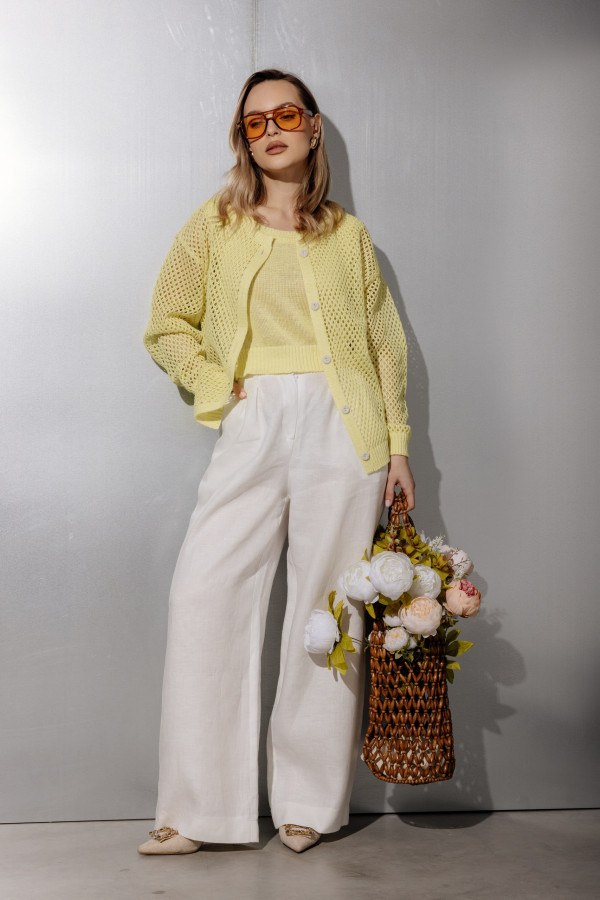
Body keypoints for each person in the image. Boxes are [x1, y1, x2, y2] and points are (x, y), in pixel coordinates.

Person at [137, 69, 415, 856]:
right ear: (243, 138)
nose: (271, 130)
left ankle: (308, 804)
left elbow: (385, 346)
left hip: (344, 426)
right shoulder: (215, 222)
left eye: (285, 114)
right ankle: (197, 811)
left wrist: (397, 444)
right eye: (254, 122)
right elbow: (167, 323)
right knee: (205, 596)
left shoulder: (348, 236)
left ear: (313, 127)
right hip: (254, 418)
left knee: (328, 612)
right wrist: (216, 385)